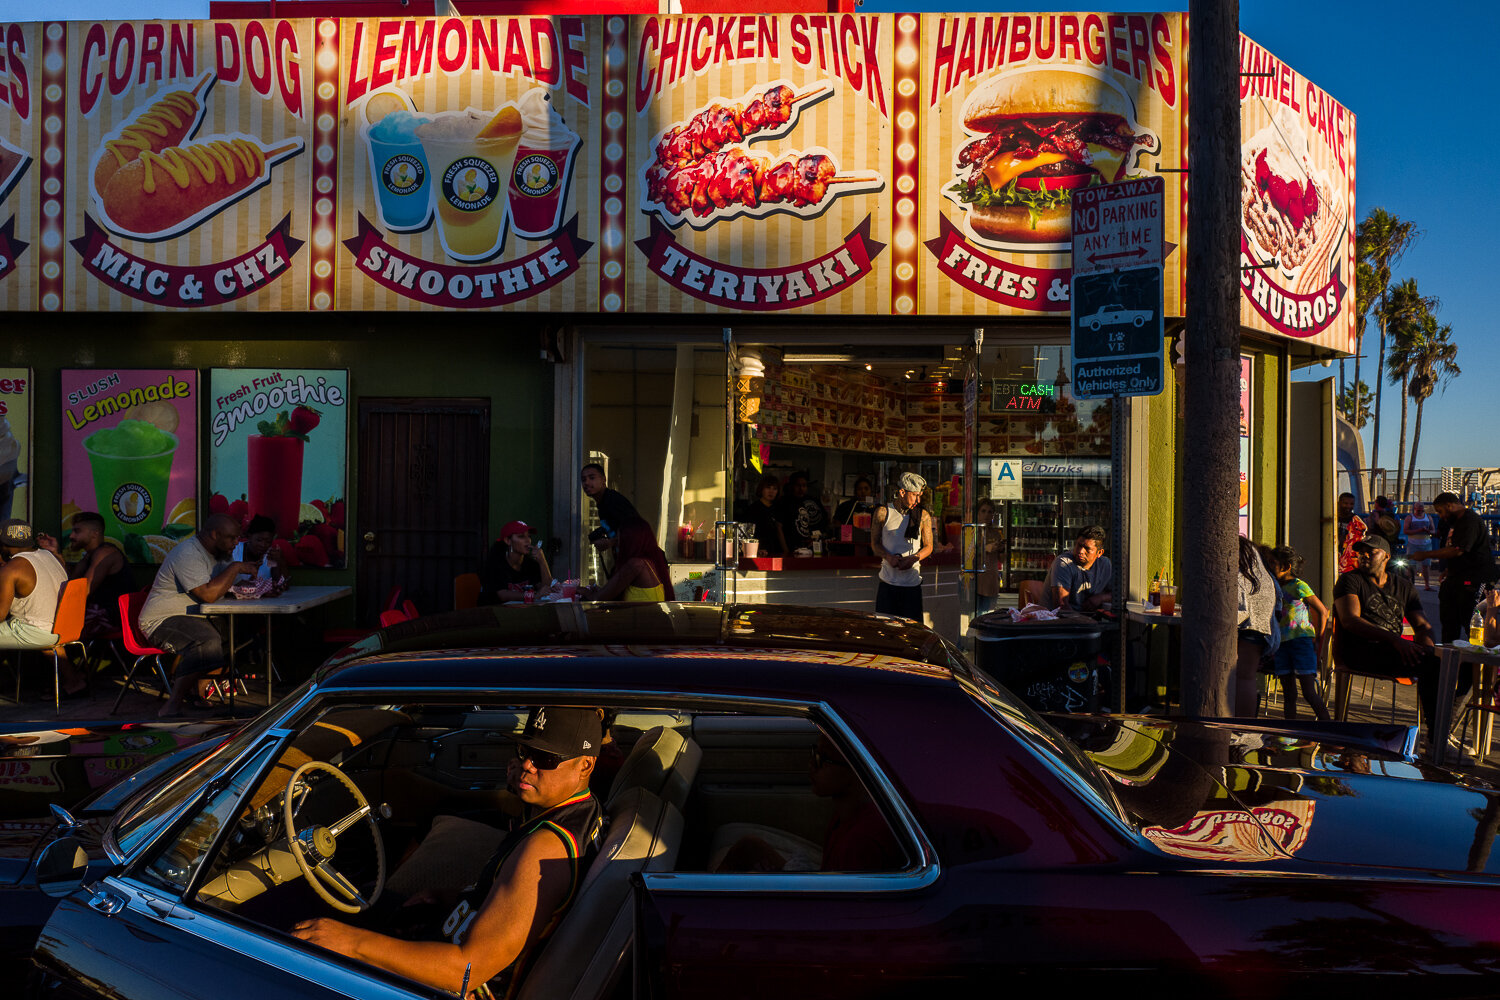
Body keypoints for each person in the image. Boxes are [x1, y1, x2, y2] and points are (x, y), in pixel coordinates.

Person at [293, 706, 604, 999]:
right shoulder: (578, 812)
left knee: (293, 936)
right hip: (446, 929)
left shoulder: (544, 849)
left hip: (444, 979)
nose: (527, 764)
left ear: (585, 765)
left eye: (545, 758)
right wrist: (454, 898)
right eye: (525, 751)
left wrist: (351, 943)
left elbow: (465, 971)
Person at [715, 733, 905, 873]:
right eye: (815, 753)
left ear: (857, 770)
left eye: (823, 759)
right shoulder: (847, 814)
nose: (811, 764)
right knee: (749, 847)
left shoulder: (860, 843)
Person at [138, 513, 258, 718]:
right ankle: (171, 705)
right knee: (206, 640)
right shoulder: (188, 553)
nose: (236, 543)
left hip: (196, 617)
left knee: (238, 631)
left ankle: (198, 693)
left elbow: (231, 582)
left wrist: (257, 585)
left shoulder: (221, 553)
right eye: (231, 538)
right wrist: (236, 566)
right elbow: (209, 594)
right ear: (214, 534)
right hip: (162, 620)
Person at [1333, 535, 1451, 742]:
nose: (1364, 555)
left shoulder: (1403, 586)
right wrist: (1396, 640)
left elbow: (1422, 625)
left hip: (1393, 652)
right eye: (1361, 552)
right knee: (1434, 666)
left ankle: (1441, 730)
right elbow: (1350, 620)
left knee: (1453, 664)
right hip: (1359, 652)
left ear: (1386, 556)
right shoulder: (1349, 580)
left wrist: (1427, 649)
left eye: (1371, 551)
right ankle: (1438, 738)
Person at [1410, 492, 1496, 644]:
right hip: (1457, 579)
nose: (1441, 516)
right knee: (1449, 624)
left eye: (1440, 511)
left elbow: (1458, 550)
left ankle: (1476, 662)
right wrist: (1449, 571)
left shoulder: (1469, 520)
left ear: (1449, 505)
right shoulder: (1457, 523)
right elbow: (1461, 554)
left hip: (1473, 580)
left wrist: (1425, 554)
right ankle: (1450, 660)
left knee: (1472, 624)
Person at [37, 511, 134, 639]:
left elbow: (83, 592)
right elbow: (70, 581)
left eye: (77, 531)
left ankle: (61, 657)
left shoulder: (105, 553)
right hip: (99, 614)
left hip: (113, 618)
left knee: (48, 628)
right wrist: (55, 552)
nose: (71, 536)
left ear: (95, 533)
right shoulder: (89, 555)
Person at [1268, 545, 1331, 722]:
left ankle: (1327, 725)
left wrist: (1319, 638)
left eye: (1273, 563)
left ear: (1286, 566)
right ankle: (1290, 728)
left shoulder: (1299, 586)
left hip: (1301, 642)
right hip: (1282, 644)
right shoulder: (1274, 587)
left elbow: (1322, 611)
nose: (1270, 567)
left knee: (1309, 692)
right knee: (1288, 693)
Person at [869, 472, 933, 620]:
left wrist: (914, 558)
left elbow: (929, 547)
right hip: (888, 583)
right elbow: (875, 544)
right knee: (886, 631)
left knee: (913, 633)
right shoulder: (883, 512)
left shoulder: (923, 515)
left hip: (912, 584)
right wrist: (888, 557)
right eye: (915, 495)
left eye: (920, 495)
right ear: (902, 492)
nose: (918, 500)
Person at [0, 519, 67, 657]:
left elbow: (0, 614)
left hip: (35, 632)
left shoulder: (11, 569)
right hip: (62, 628)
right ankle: (74, 678)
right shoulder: (49, 555)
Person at [1233, 536, 1278, 716]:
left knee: (1244, 677)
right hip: (1260, 625)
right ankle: (1243, 727)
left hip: (1250, 623)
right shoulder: (1261, 572)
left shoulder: (1239, 564)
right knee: (1245, 677)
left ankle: (1242, 727)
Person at [581, 517, 674, 602]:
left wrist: (583, 591)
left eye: (619, 538)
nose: (617, 543)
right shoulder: (649, 561)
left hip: (643, 619)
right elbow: (612, 592)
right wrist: (601, 591)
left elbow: (598, 598)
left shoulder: (635, 565)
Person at [480, 521, 554, 605]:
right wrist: (534, 595)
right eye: (521, 536)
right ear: (508, 540)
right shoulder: (496, 563)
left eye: (529, 536)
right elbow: (503, 595)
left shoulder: (530, 564)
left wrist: (542, 561)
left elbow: (546, 588)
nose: (528, 541)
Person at [1043, 525, 1113, 612]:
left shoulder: (1105, 565)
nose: (1080, 551)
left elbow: (1117, 595)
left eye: (1087, 549)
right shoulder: (1064, 564)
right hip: (1058, 621)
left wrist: (1101, 598)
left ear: (1099, 553)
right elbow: (1061, 607)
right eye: (1079, 545)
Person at [777, 471, 830, 551]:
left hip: (809, 547)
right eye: (798, 485)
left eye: (804, 485)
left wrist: (817, 538)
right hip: (791, 547)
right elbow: (778, 527)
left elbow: (824, 520)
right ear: (791, 486)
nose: (801, 488)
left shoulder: (811, 500)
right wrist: (785, 550)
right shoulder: (784, 502)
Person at [231, 514, 285, 583]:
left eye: (268, 541)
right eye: (259, 540)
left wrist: (280, 561)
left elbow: (279, 582)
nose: (263, 545)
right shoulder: (235, 550)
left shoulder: (271, 556)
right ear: (249, 536)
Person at [743, 474, 787, 557]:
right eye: (768, 487)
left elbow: (779, 531)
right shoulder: (753, 509)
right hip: (757, 552)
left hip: (776, 552)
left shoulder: (778, 508)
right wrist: (756, 549)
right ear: (761, 489)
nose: (771, 491)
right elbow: (747, 534)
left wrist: (786, 551)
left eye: (775, 489)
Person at [831, 477, 875, 555]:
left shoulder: (876, 508)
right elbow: (836, 525)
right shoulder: (845, 506)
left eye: (866, 489)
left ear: (871, 491)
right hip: (847, 549)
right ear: (855, 491)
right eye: (860, 489)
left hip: (870, 549)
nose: (863, 491)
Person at [974, 498, 1003, 615]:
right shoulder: (971, 531)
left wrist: (1001, 549)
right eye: (983, 511)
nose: (987, 515)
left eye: (990, 512)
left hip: (991, 582)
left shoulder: (996, 533)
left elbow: (1003, 560)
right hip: (975, 582)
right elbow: (965, 554)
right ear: (977, 512)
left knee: (987, 616)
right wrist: (985, 549)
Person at [1403, 501, 1438, 590]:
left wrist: (1428, 531)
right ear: (1415, 509)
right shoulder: (1410, 518)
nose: (1420, 512)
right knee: (1411, 565)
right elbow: (1406, 531)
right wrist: (1418, 530)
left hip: (1426, 544)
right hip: (1413, 544)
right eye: (1418, 510)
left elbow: (1433, 531)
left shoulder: (1428, 517)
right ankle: (1410, 584)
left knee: (1426, 565)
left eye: (1421, 510)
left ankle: (1427, 585)